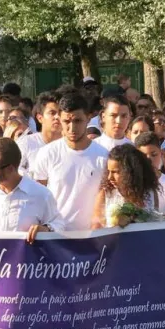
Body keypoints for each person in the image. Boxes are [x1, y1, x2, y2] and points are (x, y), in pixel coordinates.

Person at [33, 93, 109, 231]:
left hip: (92, 237)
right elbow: (38, 197)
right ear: (60, 119)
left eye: (78, 121)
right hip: (55, 236)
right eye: (67, 121)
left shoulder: (104, 156)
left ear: (88, 118)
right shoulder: (47, 153)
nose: (72, 128)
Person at [92, 144, 161, 228]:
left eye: (115, 172)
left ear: (130, 172)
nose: (109, 177)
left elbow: (156, 224)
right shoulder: (106, 193)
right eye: (109, 171)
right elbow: (96, 226)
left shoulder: (150, 193)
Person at [134, 133, 165, 211]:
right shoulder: (132, 183)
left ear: (161, 153)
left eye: (154, 154)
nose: (149, 160)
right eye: (144, 156)